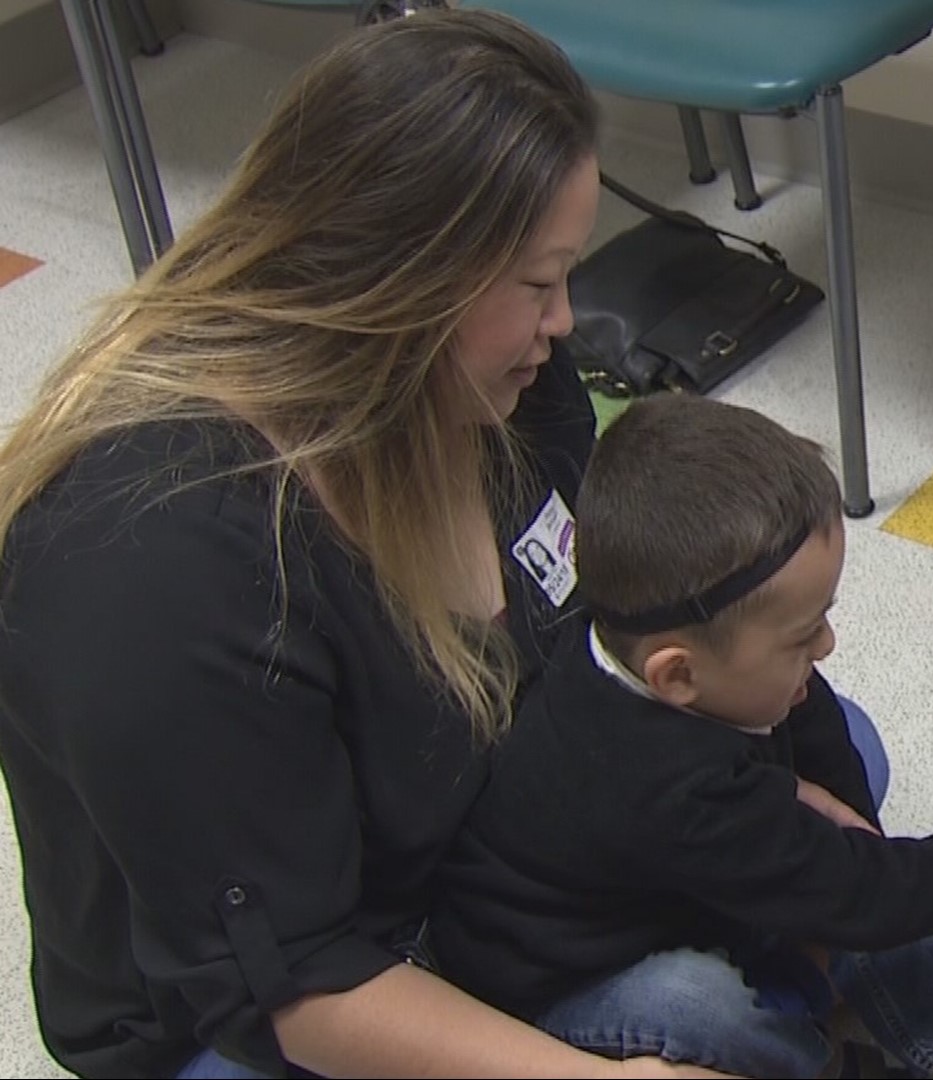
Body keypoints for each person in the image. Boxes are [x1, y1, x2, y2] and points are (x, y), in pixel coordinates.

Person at [0, 11, 719, 1078]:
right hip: (257, 1001)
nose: (567, 322)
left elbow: (584, 583)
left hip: (464, 837)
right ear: (401, 280)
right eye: (536, 283)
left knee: (802, 738)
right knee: (693, 1005)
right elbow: (293, 981)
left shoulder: (492, 373)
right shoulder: (151, 566)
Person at [429, 394, 933, 1079]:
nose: (828, 646)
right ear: (677, 676)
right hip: (562, 981)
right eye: (805, 636)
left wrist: (853, 831)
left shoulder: (642, 637)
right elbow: (875, 894)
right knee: (702, 1004)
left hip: (670, 874)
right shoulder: (668, 787)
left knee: (861, 783)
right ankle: (823, 1053)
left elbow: (816, 723)